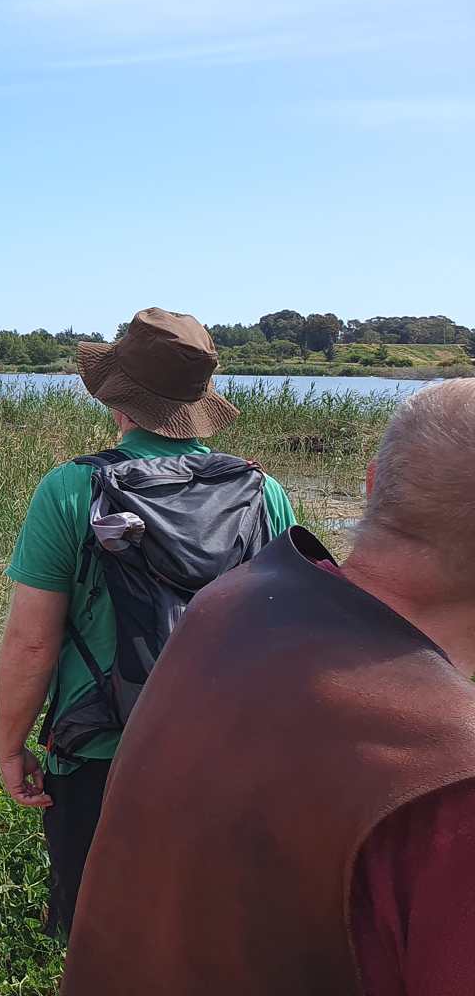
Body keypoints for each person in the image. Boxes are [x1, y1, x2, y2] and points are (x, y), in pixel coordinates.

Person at [62, 378, 475, 996]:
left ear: (372, 485)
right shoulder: (448, 778)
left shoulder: (227, 605)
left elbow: (32, 637)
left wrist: (16, 743)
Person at [0, 307, 296, 936]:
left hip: (101, 752)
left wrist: (10, 743)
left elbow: (30, 643)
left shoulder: (72, 489)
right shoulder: (263, 494)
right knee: (201, 943)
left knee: (98, 940)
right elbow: (286, 639)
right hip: (221, 756)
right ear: (197, 402)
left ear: (118, 399)